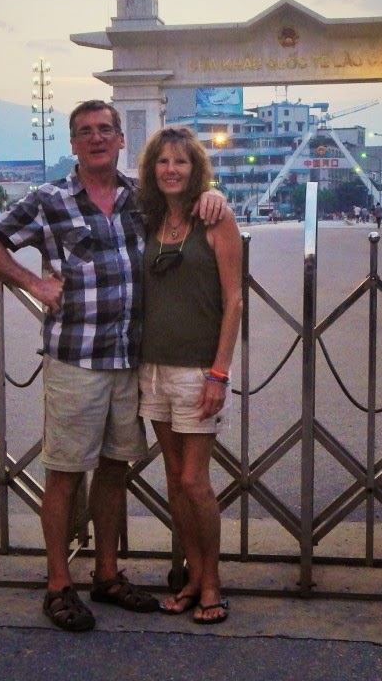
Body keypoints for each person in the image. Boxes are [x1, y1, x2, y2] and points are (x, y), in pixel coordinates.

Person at [0, 101, 226, 632]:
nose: (97, 138)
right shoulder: (49, 199)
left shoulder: (140, 198)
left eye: (106, 129)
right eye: (85, 131)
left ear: (121, 139)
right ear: (73, 143)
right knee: (65, 474)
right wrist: (33, 283)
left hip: (129, 360)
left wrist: (214, 194)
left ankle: (106, 574)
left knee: (113, 471)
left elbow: (186, 197)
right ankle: (59, 584)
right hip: (76, 360)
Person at [137, 127, 243, 626]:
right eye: (163, 161)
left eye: (181, 161)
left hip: (199, 370)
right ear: (151, 170)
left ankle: (213, 582)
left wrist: (219, 373)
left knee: (193, 481)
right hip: (152, 368)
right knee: (173, 481)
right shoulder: (149, 219)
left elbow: (234, 300)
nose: (171, 170)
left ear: (195, 167)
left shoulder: (216, 218)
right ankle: (194, 578)